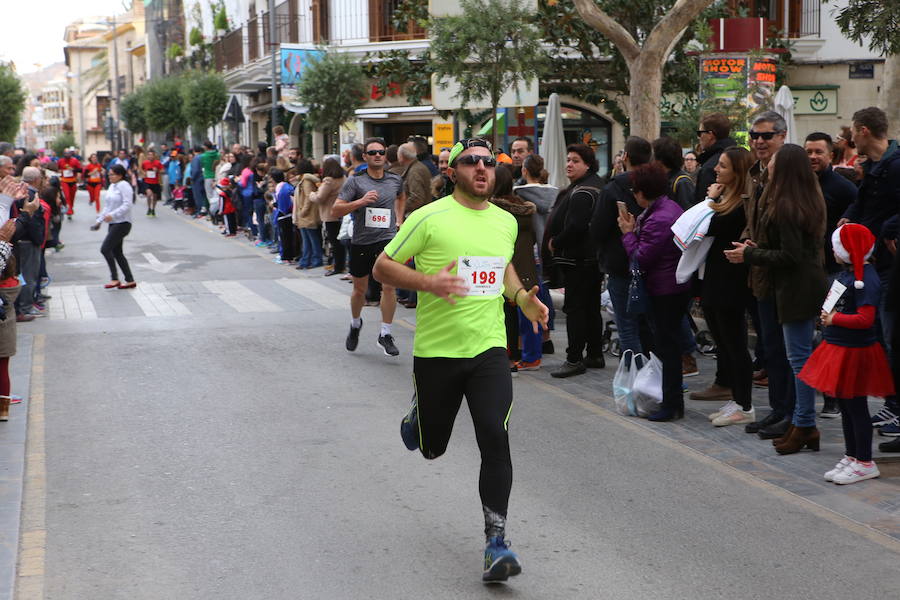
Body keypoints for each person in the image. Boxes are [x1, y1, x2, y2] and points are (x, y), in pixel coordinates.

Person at [372, 137, 548, 582]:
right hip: (437, 353)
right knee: (433, 448)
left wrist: (524, 299)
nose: (482, 169)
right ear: (453, 172)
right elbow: (383, 268)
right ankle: (419, 419)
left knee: (495, 435)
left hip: (489, 349)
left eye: (489, 162)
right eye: (471, 162)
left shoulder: (506, 221)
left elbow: (503, 267)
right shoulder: (428, 217)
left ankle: (496, 543)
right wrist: (429, 282)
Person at [726, 144, 828, 454]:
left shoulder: (787, 205)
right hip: (803, 284)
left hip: (796, 288)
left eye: (773, 162)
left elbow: (790, 255)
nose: (767, 165)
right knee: (799, 357)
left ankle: (804, 423)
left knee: (799, 359)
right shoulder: (805, 198)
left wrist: (750, 254)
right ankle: (801, 423)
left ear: (784, 168)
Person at [800, 224, 894, 482]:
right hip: (839, 346)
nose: (832, 250)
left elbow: (865, 318)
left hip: (855, 351)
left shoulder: (866, 280)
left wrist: (835, 318)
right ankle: (852, 455)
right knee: (845, 404)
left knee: (856, 407)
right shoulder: (847, 275)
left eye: (836, 246)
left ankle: (864, 460)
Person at [837, 107, 900, 436]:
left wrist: (886, 232)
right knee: (881, 337)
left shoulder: (896, 164)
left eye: (851, 130)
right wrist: (850, 217)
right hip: (873, 263)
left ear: (863, 131)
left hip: (889, 266)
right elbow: (862, 204)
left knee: (890, 337)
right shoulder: (875, 166)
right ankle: (892, 404)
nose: (848, 137)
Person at [618, 162, 689, 421]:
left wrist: (627, 233)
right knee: (667, 345)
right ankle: (669, 399)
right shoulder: (663, 209)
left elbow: (641, 257)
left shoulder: (660, 217)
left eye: (635, 190)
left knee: (667, 347)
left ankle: (671, 403)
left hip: (665, 289)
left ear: (642, 191)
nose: (633, 195)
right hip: (669, 286)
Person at [741, 111, 794, 439]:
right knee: (771, 349)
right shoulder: (754, 174)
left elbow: (794, 245)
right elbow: (754, 221)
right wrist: (748, 241)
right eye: (754, 135)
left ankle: (791, 414)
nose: (759, 141)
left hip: (784, 279)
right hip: (759, 274)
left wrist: (752, 250)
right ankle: (777, 409)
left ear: (782, 137)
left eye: (767, 135)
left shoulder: (792, 179)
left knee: (788, 352)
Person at [695, 146, 756, 427]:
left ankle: (745, 404)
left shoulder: (741, 202)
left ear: (738, 172)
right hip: (715, 277)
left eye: (723, 166)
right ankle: (737, 397)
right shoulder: (727, 198)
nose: (716, 170)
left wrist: (710, 199)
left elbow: (707, 226)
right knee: (724, 342)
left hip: (731, 281)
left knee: (735, 343)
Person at [332, 137, 406, 356]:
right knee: (359, 290)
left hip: (387, 239)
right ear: (365, 157)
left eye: (381, 152)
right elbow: (336, 209)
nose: (377, 156)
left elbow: (401, 197)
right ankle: (355, 324)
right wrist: (360, 202)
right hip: (362, 241)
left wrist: (399, 218)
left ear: (385, 156)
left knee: (389, 286)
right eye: (372, 152)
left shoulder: (395, 179)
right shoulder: (355, 182)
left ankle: (385, 333)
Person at [590, 136, 652, 356]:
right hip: (651, 262)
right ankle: (652, 375)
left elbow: (597, 229)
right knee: (648, 324)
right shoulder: (657, 184)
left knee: (627, 326)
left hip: (620, 264)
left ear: (625, 157)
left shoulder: (614, 188)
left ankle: (635, 378)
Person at [546, 143, 604, 377]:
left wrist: (556, 242)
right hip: (591, 260)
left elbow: (576, 226)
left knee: (576, 309)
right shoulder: (596, 185)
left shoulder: (583, 191)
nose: (569, 164)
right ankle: (595, 353)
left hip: (578, 259)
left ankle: (573, 358)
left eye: (575, 160)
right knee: (590, 308)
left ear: (588, 164)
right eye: (568, 159)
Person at [491, 165, 541, 371]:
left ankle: (513, 354)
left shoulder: (494, 210)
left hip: (505, 267)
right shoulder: (523, 207)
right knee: (526, 314)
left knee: (507, 316)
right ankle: (528, 356)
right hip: (526, 265)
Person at [91, 164, 136, 290]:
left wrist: (113, 215)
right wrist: (99, 221)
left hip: (123, 223)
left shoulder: (124, 185)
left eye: (112, 174)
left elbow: (128, 204)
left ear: (120, 175)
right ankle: (130, 280)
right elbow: (107, 206)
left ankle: (114, 278)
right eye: (109, 174)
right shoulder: (112, 186)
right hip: (113, 223)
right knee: (117, 252)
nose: (109, 176)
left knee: (105, 249)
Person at [310, 158, 346, 276]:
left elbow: (320, 198)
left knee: (334, 242)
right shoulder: (343, 178)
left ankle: (338, 266)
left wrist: (312, 194)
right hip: (341, 212)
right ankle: (341, 265)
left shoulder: (328, 181)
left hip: (330, 214)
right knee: (340, 242)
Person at [694, 113, 736, 207]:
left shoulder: (709, 168)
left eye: (700, 133)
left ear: (710, 135)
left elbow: (703, 207)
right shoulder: (738, 156)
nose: (698, 137)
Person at [293, 159, 322, 269]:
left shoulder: (306, 181)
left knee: (310, 239)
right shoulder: (305, 179)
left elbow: (308, 197)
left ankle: (313, 260)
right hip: (306, 214)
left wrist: (303, 212)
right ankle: (306, 260)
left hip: (307, 214)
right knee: (308, 239)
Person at [652, 136, 695, 209]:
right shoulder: (664, 178)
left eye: (653, 156)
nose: (651, 160)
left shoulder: (682, 182)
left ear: (660, 160)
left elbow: (686, 213)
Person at [57, 149, 82, 219]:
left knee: (72, 197)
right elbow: (57, 169)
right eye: (66, 153)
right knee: (67, 196)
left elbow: (80, 170)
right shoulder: (60, 161)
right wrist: (61, 171)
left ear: (71, 154)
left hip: (73, 181)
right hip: (64, 181)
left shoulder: (75, 160)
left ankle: (70, 208)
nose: (67, 155)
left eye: (68, 153)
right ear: (64, 154)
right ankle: (69, 211)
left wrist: (73, 169)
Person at [141, 150, 164, 217]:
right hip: (147, 182)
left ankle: (153, 209)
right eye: (149, 155)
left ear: (154, 156)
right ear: (147, 156)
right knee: (149, 194)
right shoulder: (145, 163)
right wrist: (144, 173)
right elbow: (141, 169)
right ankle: (149, 208)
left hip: (155, 182)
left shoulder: (158, 163)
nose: (150, 156)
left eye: (152, 155)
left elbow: (163, 170)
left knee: (155, 197)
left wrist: (157, 170)